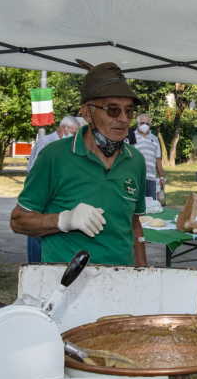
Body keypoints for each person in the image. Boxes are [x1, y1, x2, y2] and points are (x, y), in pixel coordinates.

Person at [10, 60, 147, 266]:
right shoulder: (54, 156)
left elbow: (134, 224)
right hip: (65, 281)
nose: (124, 119)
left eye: (129, 111)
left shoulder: (135, 160)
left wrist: (142, 274)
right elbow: (18, 220)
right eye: (113, 110)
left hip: (121, 280)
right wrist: (64, 220)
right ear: (87, 112)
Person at [25, 115, 81, 263]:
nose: (75, 137)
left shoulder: (62, 144)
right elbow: (37, 173)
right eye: (75, 133)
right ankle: (35, 267)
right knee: (37, 231)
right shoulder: (47, 143)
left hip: (54, 197)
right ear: (65, 129)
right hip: (42, 198)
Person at [132, 114, 165, 200]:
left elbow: (158, 159)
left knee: (152, 206)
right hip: (136, 178)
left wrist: (161, 177)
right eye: (142, 123)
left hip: (151, 178)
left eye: (147, 124)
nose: (145, 125)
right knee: (137, 206)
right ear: (138, 124)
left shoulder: (155, 138)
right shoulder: (131, 137)